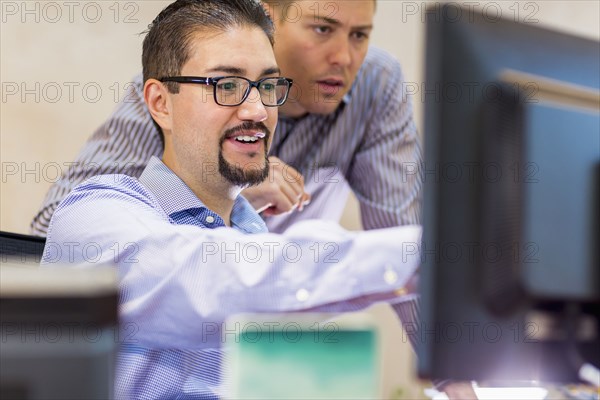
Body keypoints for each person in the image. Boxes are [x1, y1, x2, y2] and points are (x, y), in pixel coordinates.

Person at [41, 0, 422, 398]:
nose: (258, 110)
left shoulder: (258, 247)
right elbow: (210, 277)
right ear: (159, 103)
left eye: (269, 86)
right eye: (227, 86)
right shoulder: (92, 217)